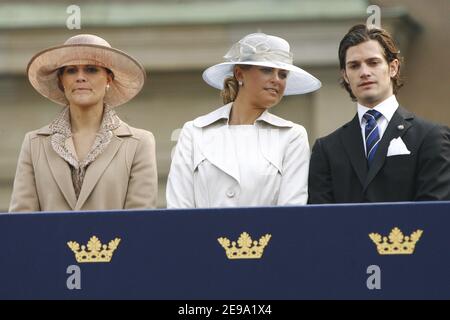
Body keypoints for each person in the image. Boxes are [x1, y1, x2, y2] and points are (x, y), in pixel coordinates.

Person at [167, 33, 321, 208]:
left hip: (266, 236)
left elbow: (291, 211)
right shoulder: (194, 131)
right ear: (239, 74)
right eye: (267, 70)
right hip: (201, 235)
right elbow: (179, 208)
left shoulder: (292, 136)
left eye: (283, 74)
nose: (276, 79)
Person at [9, 34, 158, 212]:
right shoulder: (34, 144)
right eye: (71, 70)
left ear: (109, 79)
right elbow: (22, 222)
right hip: (48, 241)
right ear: (61, 80)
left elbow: (139, 222)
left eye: (91, 69)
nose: (80, 77)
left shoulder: (139, 143)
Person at [308, 24, 450, 203]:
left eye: (373, 62)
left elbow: (434, 213)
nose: (364, 72)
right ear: (345, 75)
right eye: (354, 66)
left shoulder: (431, 137)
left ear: (393, 67)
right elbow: (321, 220)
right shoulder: (326, 150)